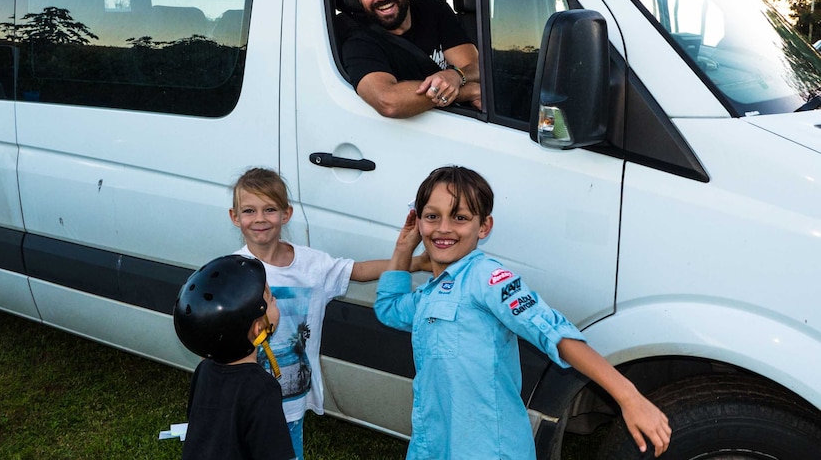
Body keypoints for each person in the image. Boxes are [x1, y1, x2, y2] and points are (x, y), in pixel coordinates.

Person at [374, 166, 672, 459]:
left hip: (488, 448)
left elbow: (551, 332)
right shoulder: (431, 292)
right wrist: (404, 247)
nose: (443, 228)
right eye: (432, 217)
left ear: (484, 227)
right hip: (434, 443)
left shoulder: (487, 278)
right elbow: (389, 308)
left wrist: (628, 396)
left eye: (460, 217)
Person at [228, 167, 427, 459]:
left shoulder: (311, 264)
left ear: (287, 214)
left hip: (290, 401)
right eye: (249, 210)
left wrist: (417, 262)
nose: (259, 219)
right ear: (235, 217)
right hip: (245, 398)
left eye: (269, 209)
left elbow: (358, 271)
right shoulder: (231, 271)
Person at [340, 0, 481, 117]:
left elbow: (475, 67)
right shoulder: (358, 42)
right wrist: (467, 91)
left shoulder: (433, 8)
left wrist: (456, 76)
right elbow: (388, 101)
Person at [173, 254, 296, 460]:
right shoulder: (262, 388)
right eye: (270, 300)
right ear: (259, 329)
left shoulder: (204, 369)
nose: (274, 301)